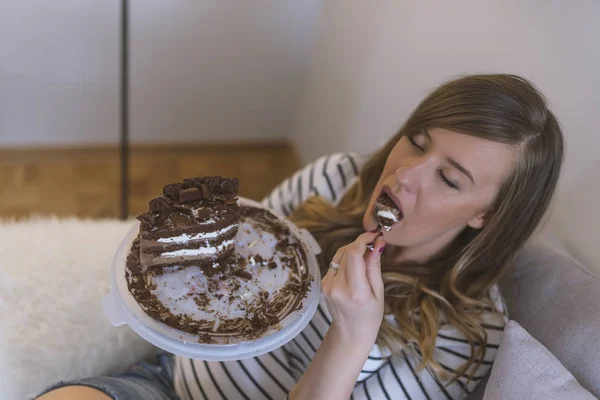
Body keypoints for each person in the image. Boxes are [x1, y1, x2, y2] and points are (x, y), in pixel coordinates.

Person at [37, 74, 564, 400]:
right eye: (417, 142)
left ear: (486, 217)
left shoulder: (462, 338)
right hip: (167, 382)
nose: (405, 175)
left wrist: (354, 335)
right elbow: (214, 277)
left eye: (449, 179)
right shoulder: (333, 181)